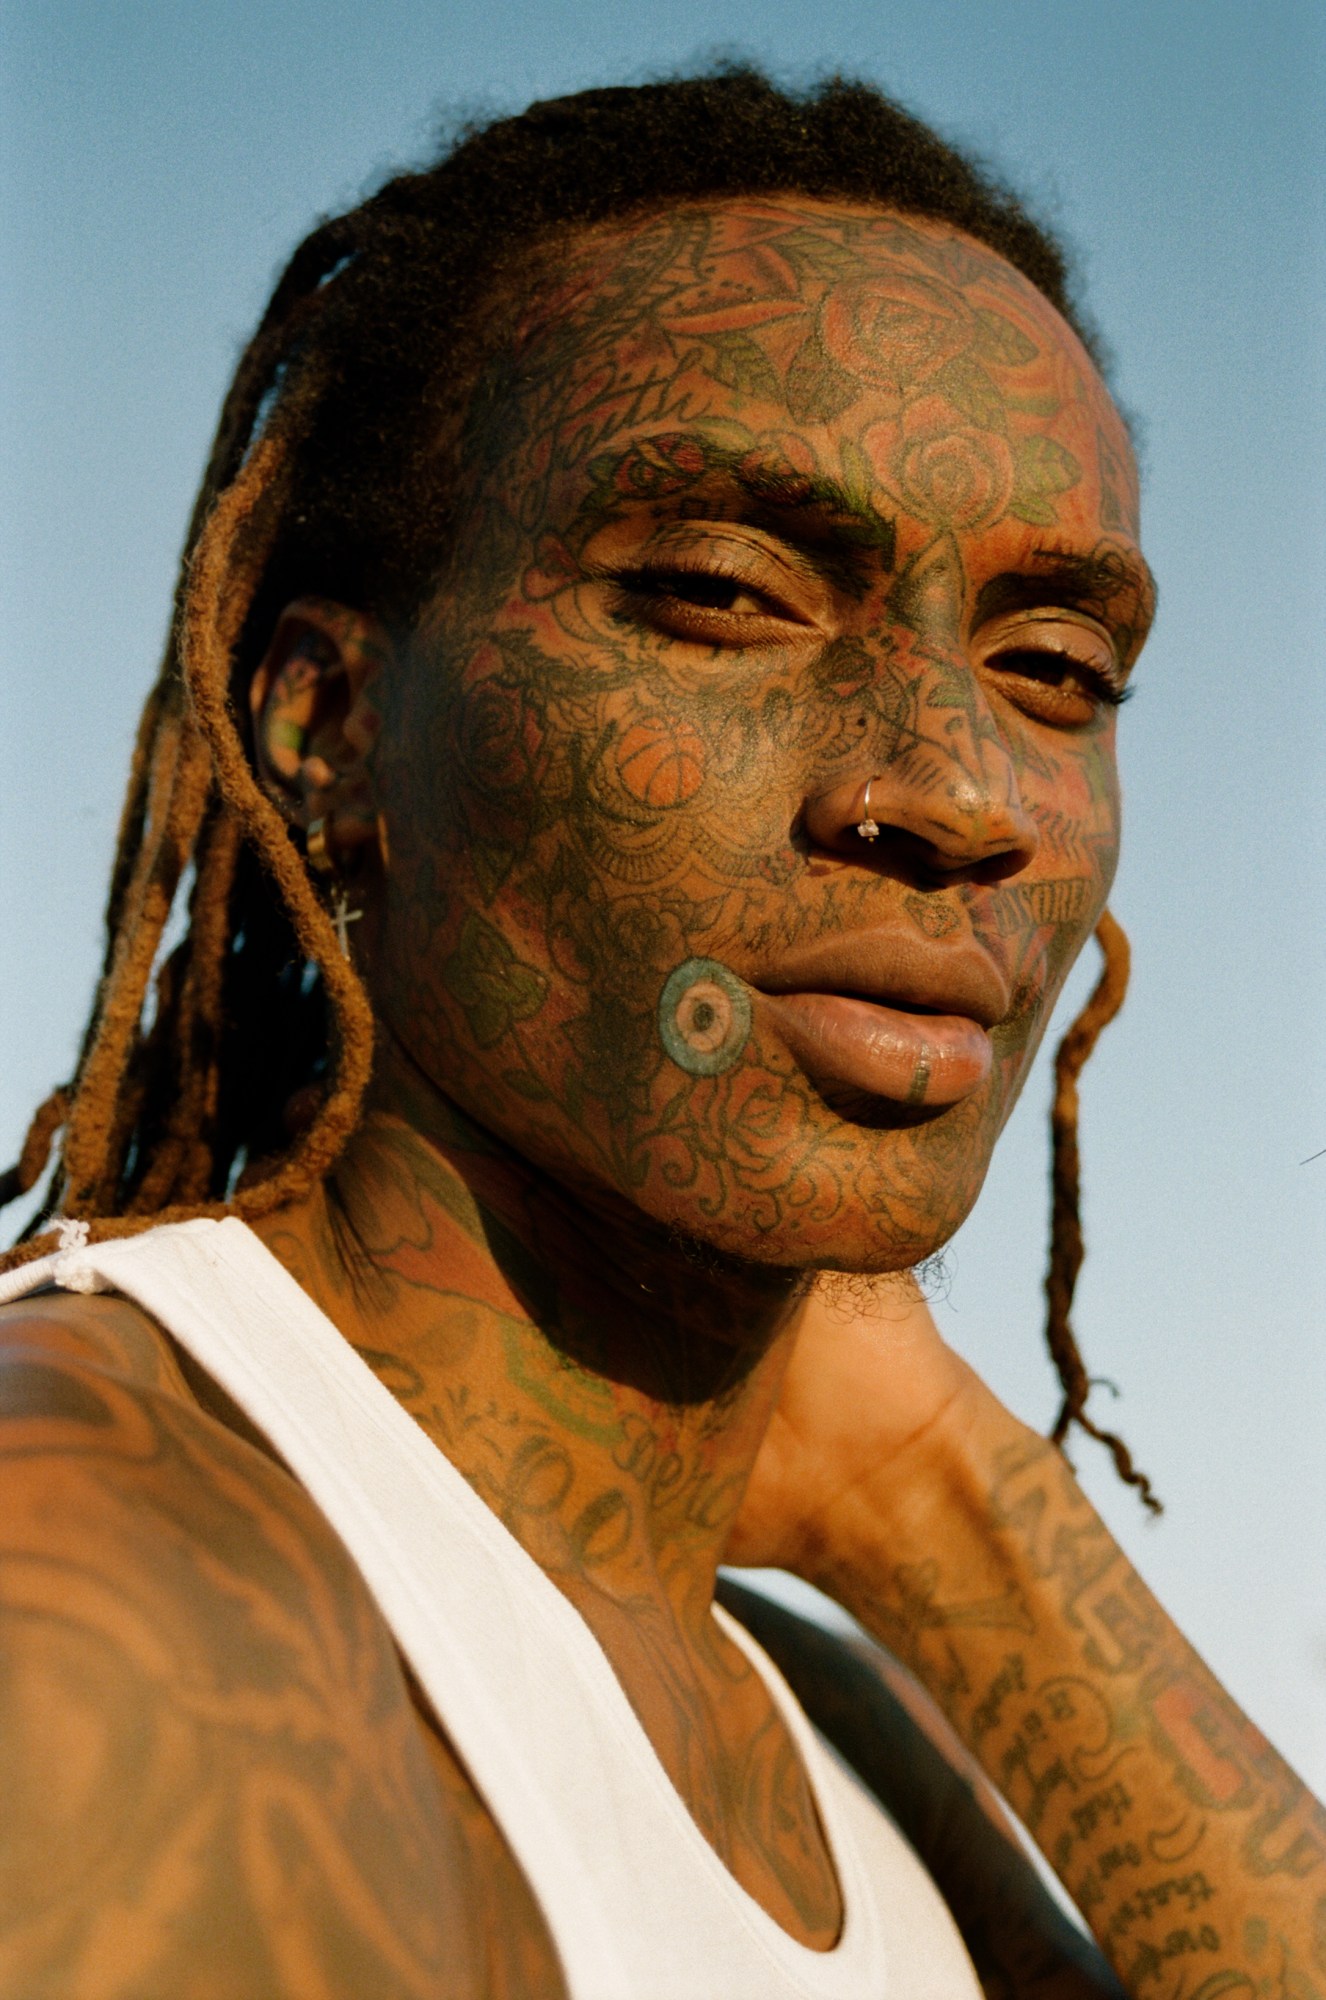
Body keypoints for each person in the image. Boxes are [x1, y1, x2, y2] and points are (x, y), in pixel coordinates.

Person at [0, 67, 1319, 2000]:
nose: (955, 791)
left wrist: (945, 1504)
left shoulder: (838, 1724)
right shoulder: (99, 1586)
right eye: (723, 596)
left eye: (1053, 667)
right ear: (326, 727)